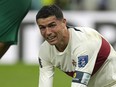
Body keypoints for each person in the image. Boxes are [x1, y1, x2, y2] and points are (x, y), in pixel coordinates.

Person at [36, 4, 116, 87]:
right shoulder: (45, 50)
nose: (48, 32)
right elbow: (44, 83)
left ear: (63, 22)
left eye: (52, 25)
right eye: (42, 28)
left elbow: (79, 84)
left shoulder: (84, 42)